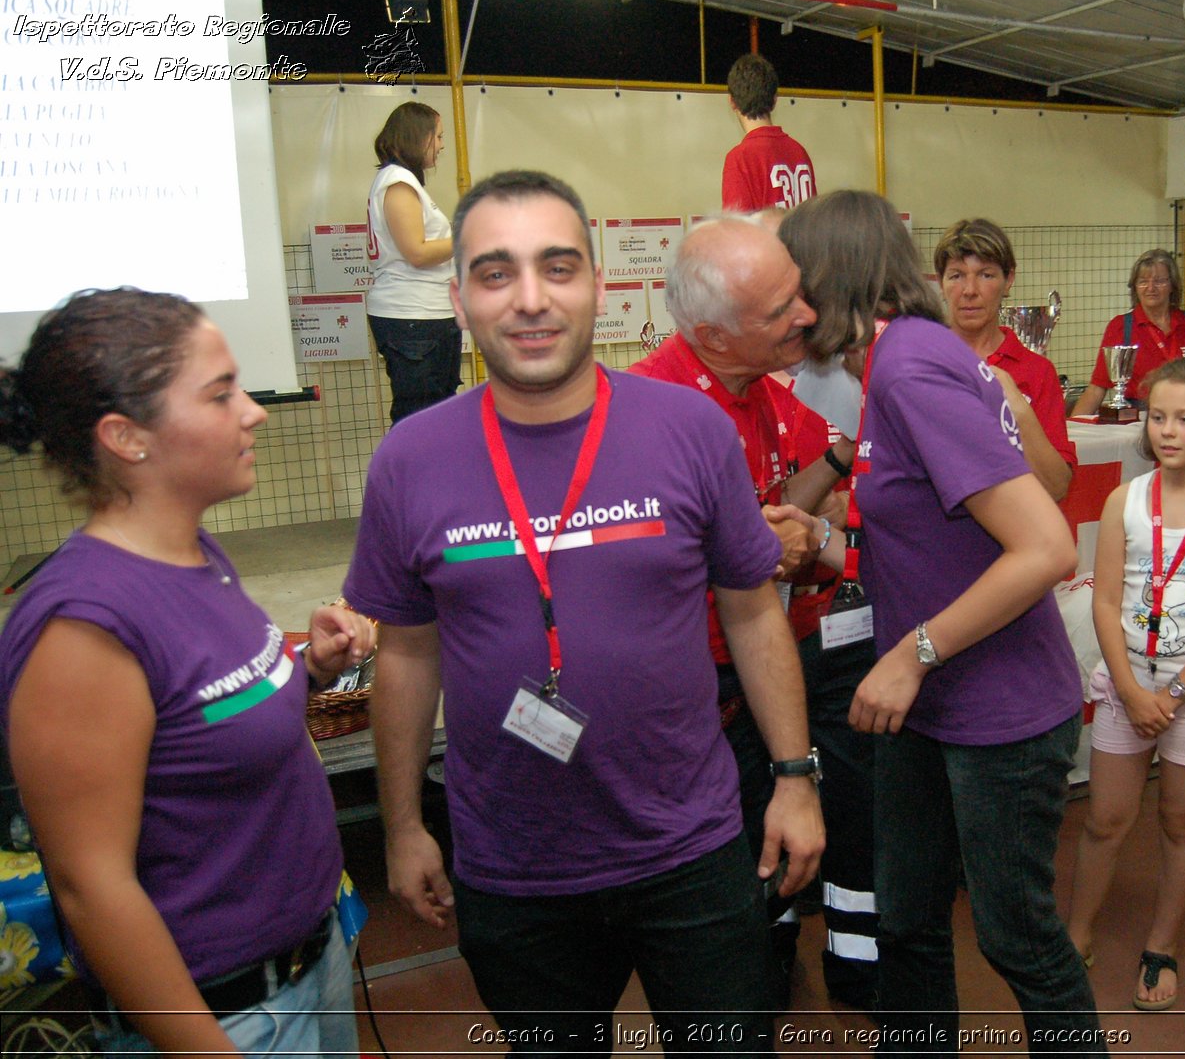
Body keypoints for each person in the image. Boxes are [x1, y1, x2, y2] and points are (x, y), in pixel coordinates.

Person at [342, 170, 824, 1054]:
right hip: (515, 872)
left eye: (558, 268)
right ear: (457, 299)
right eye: (496, 273)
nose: (531, 300)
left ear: (598, 284)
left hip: (693, 854)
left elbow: (754, 617)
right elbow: (407, 655)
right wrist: (404, 825)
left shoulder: (689, 431)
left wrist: (795, 777)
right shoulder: (411, 460)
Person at [773, 190, 1105, 1054]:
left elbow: (1044, 549)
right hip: (925, 709)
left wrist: (913, 655)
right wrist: (824, 547)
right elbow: (928, 546)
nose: (785, 304)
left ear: (835, 279)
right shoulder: (897, 367)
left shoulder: (914, 367)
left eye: (793, 283)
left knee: (1016, 938)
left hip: (994, 709)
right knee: (910, 921)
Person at [0, 288, 372, 1056]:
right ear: (126, 436)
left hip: (310, 967)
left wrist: (305, 667)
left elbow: (194, 721)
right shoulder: (81, 627)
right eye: (219, 393)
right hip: (231, 1017)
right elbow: (92, 887)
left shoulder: (195, 554)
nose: (254, 411)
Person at [630, 215, 879, 1010]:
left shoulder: (767, 395)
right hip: (690, 697)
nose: (806, 317)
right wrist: (734, 547)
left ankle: (780, 962)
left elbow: (809, 493)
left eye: (797, 297)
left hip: (766, 671)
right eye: (778, 313)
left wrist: (811, 514)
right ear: (712, 334)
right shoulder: (641, 415)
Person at [1066, 357, 1185, 1013]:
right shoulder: (1128, 500)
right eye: (1157, 417)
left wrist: (1174, 697)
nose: (1168, 431)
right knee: (1104, 818)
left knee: (1181, 819)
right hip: (1129, 686)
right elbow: (1104, 601)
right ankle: (1077, 931)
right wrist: (1130, 688)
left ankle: (1162, 943)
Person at [934, 218, 1076, 502]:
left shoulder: (1036, 372)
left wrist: (1018, 412)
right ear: (940, 282)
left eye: (986, 275)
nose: (970, 290)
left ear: (1008, 280)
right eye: (956, 275)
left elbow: (1057, 487)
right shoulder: (922, 363)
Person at [366, 101, 462, 423]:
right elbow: (417, 253)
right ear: (417, 137)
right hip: (412, 316)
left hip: (427, 314)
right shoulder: (398, 183)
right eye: (438, 136)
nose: (442, 145)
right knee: (419, 419)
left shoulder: (406, 182)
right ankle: (408, 475)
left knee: (437, 415)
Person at [1072, 248, 1185, 418]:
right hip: (1138, 419)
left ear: (1173, 284)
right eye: (1143, 281)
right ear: (1134, 287)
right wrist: (1072, 431)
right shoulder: (1120, 327)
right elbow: (1097, 388)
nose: (1151, 288)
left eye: (1159, 281)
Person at [722, 53, 817, 212]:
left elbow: (737, 230)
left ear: (732, 101)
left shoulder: (739, 159)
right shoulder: (799, 152)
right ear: (774, 100)